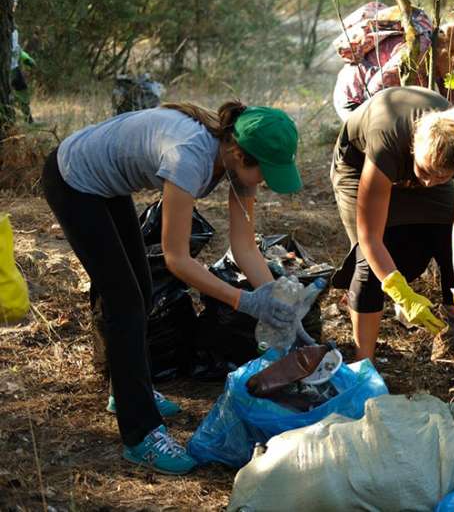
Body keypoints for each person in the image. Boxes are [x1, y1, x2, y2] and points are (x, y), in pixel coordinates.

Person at [41, 101, 302, 475]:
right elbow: (176, 259)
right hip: (74, 180)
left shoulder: (236, 160)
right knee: (125, 301)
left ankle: (126, 390)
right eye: (264, 171)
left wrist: (279, 300)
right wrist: (245, 301)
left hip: (105, 183)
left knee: (140, 291)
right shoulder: (190, 158)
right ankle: (140, 435)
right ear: (238, 152)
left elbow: (244, 246)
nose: (263, 181)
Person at [330, 85, 454, 382]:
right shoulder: (389, 141)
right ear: (414, 150)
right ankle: (363, 370)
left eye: (441, 178)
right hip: (359, 164)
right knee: (368, 264)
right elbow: (370, 237)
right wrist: (402, 294)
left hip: (424, 159)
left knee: (444, 238)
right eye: (424, 174)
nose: (426, 184)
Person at [332, 2, 454, 121]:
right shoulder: (417, 52)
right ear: (451, 55)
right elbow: (374, 92)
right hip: (355, 97)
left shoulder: (437, 60)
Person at [9, 0, 35, 123]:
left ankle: (28, 120)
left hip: (13, 66)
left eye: (15, 3)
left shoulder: (12, 23)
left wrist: (25, 57)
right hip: (5, 68)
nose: (15, 5)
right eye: (13, 3)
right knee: (8, 96)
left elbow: (15, 46)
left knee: (22, 90)